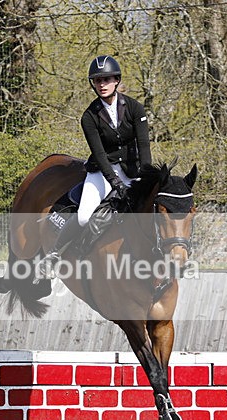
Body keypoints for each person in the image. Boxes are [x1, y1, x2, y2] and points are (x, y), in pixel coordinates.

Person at [39, 54, 152, 276]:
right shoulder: (89, 116)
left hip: (133, 169)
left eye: (107, 79)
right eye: (98, 80)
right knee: (83, 216)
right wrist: (115, 182)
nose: (102, 84)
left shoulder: (135, 108)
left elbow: (144, 145)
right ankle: (53, 256)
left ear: (116, 80)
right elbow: (99, 154)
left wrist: (146, 179)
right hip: (103, 171)